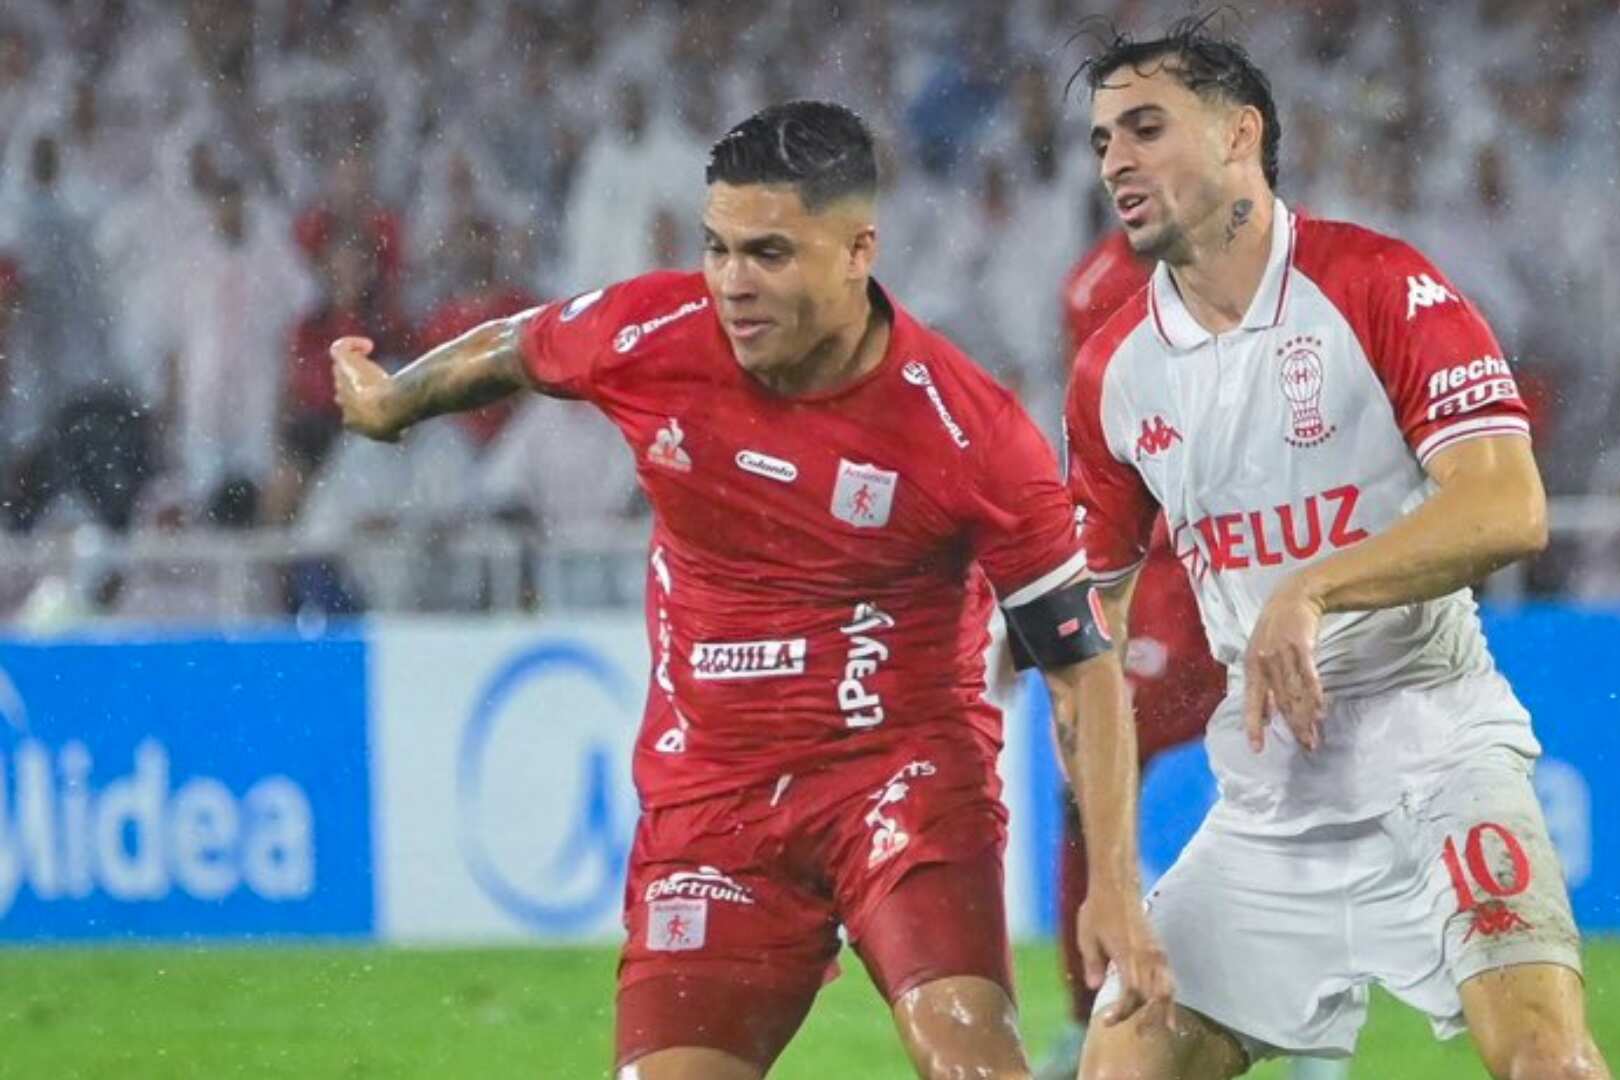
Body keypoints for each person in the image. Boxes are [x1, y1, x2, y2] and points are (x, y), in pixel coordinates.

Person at [330, 100, 1171, 1080]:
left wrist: (1111, 885)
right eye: (718, 249)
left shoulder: (965, 433)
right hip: (712, 804)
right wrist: (398, 399)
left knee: (973, 1064)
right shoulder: (651, 333)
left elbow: (1079, 664)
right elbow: (515, 345)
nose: (733, 283)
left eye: (769, 253)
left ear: (860, 249)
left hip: (900, 787)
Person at [1063, 20, 1610, 1080]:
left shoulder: (1374, 283)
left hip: (1437, 749)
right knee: (1120, 1068)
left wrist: (1312, 589)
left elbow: (1508, 504)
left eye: (1144, 128)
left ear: (1239, 138)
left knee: (1545, 1060)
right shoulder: (1112, 374)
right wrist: (1114, 876)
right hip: (1273, 795)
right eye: (1099, 142)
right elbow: (1093, 637)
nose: (1115, 162)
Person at [1035, 229, 1226, 1080]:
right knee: (1088, 782)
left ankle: (1319, 1016)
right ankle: (1089, 1015)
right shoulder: (1090, 283)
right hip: (1140, 568)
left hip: (1236, 560)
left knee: (1310, 781)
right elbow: (1088, 447)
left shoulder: (1252, 267)